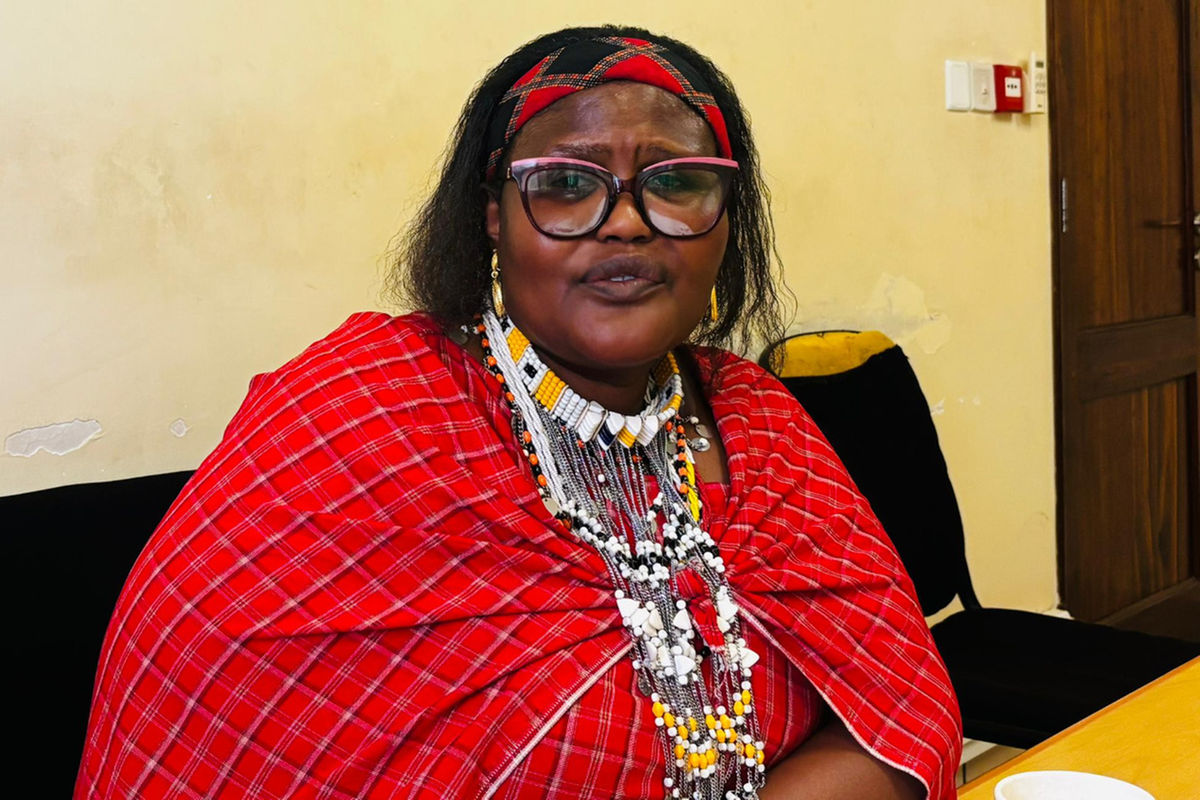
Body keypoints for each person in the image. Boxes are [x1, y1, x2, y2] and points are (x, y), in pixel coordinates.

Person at [75, 26, 961, 800]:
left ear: (729, 221)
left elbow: (900, 712)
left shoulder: (757, 419)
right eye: (566, 183)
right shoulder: (359, 411)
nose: (626, 223)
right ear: (493, 217)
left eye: (679, 182)